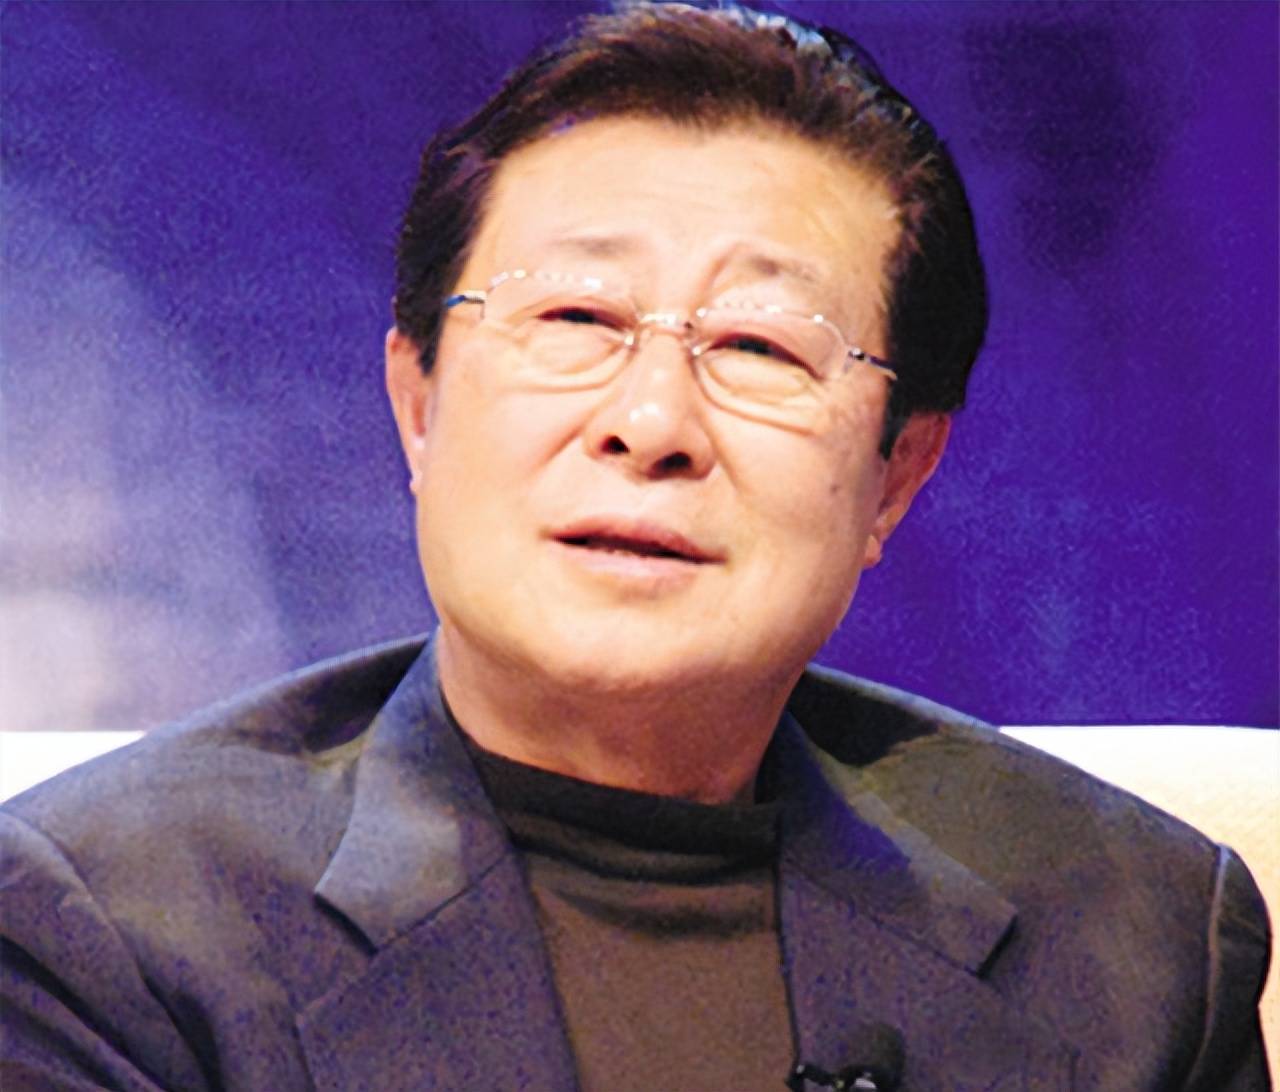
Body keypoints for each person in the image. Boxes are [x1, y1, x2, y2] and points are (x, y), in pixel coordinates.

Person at [1, 3, 1270, 1090]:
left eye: (760, 347)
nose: (651, 423)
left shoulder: (1130, 941)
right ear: (419, 404)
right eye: (574, 317)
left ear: (896, 474)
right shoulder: (103, 928)